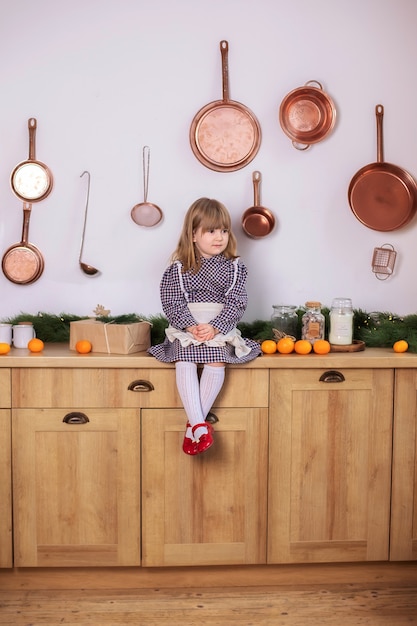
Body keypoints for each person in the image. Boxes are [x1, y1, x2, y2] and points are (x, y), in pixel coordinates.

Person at [148, 197, 261, 455]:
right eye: (211, 231)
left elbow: (237, 301)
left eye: (223, 230)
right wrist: (189, 326)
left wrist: (216, 327)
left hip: (219, 328)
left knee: (217, 358)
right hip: (188, 328)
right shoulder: (178, 270)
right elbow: (172, 301)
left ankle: (193, 427)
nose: (219, 237)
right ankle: (200, 423)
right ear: (193, 235)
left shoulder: (234, 268)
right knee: (184, 358)